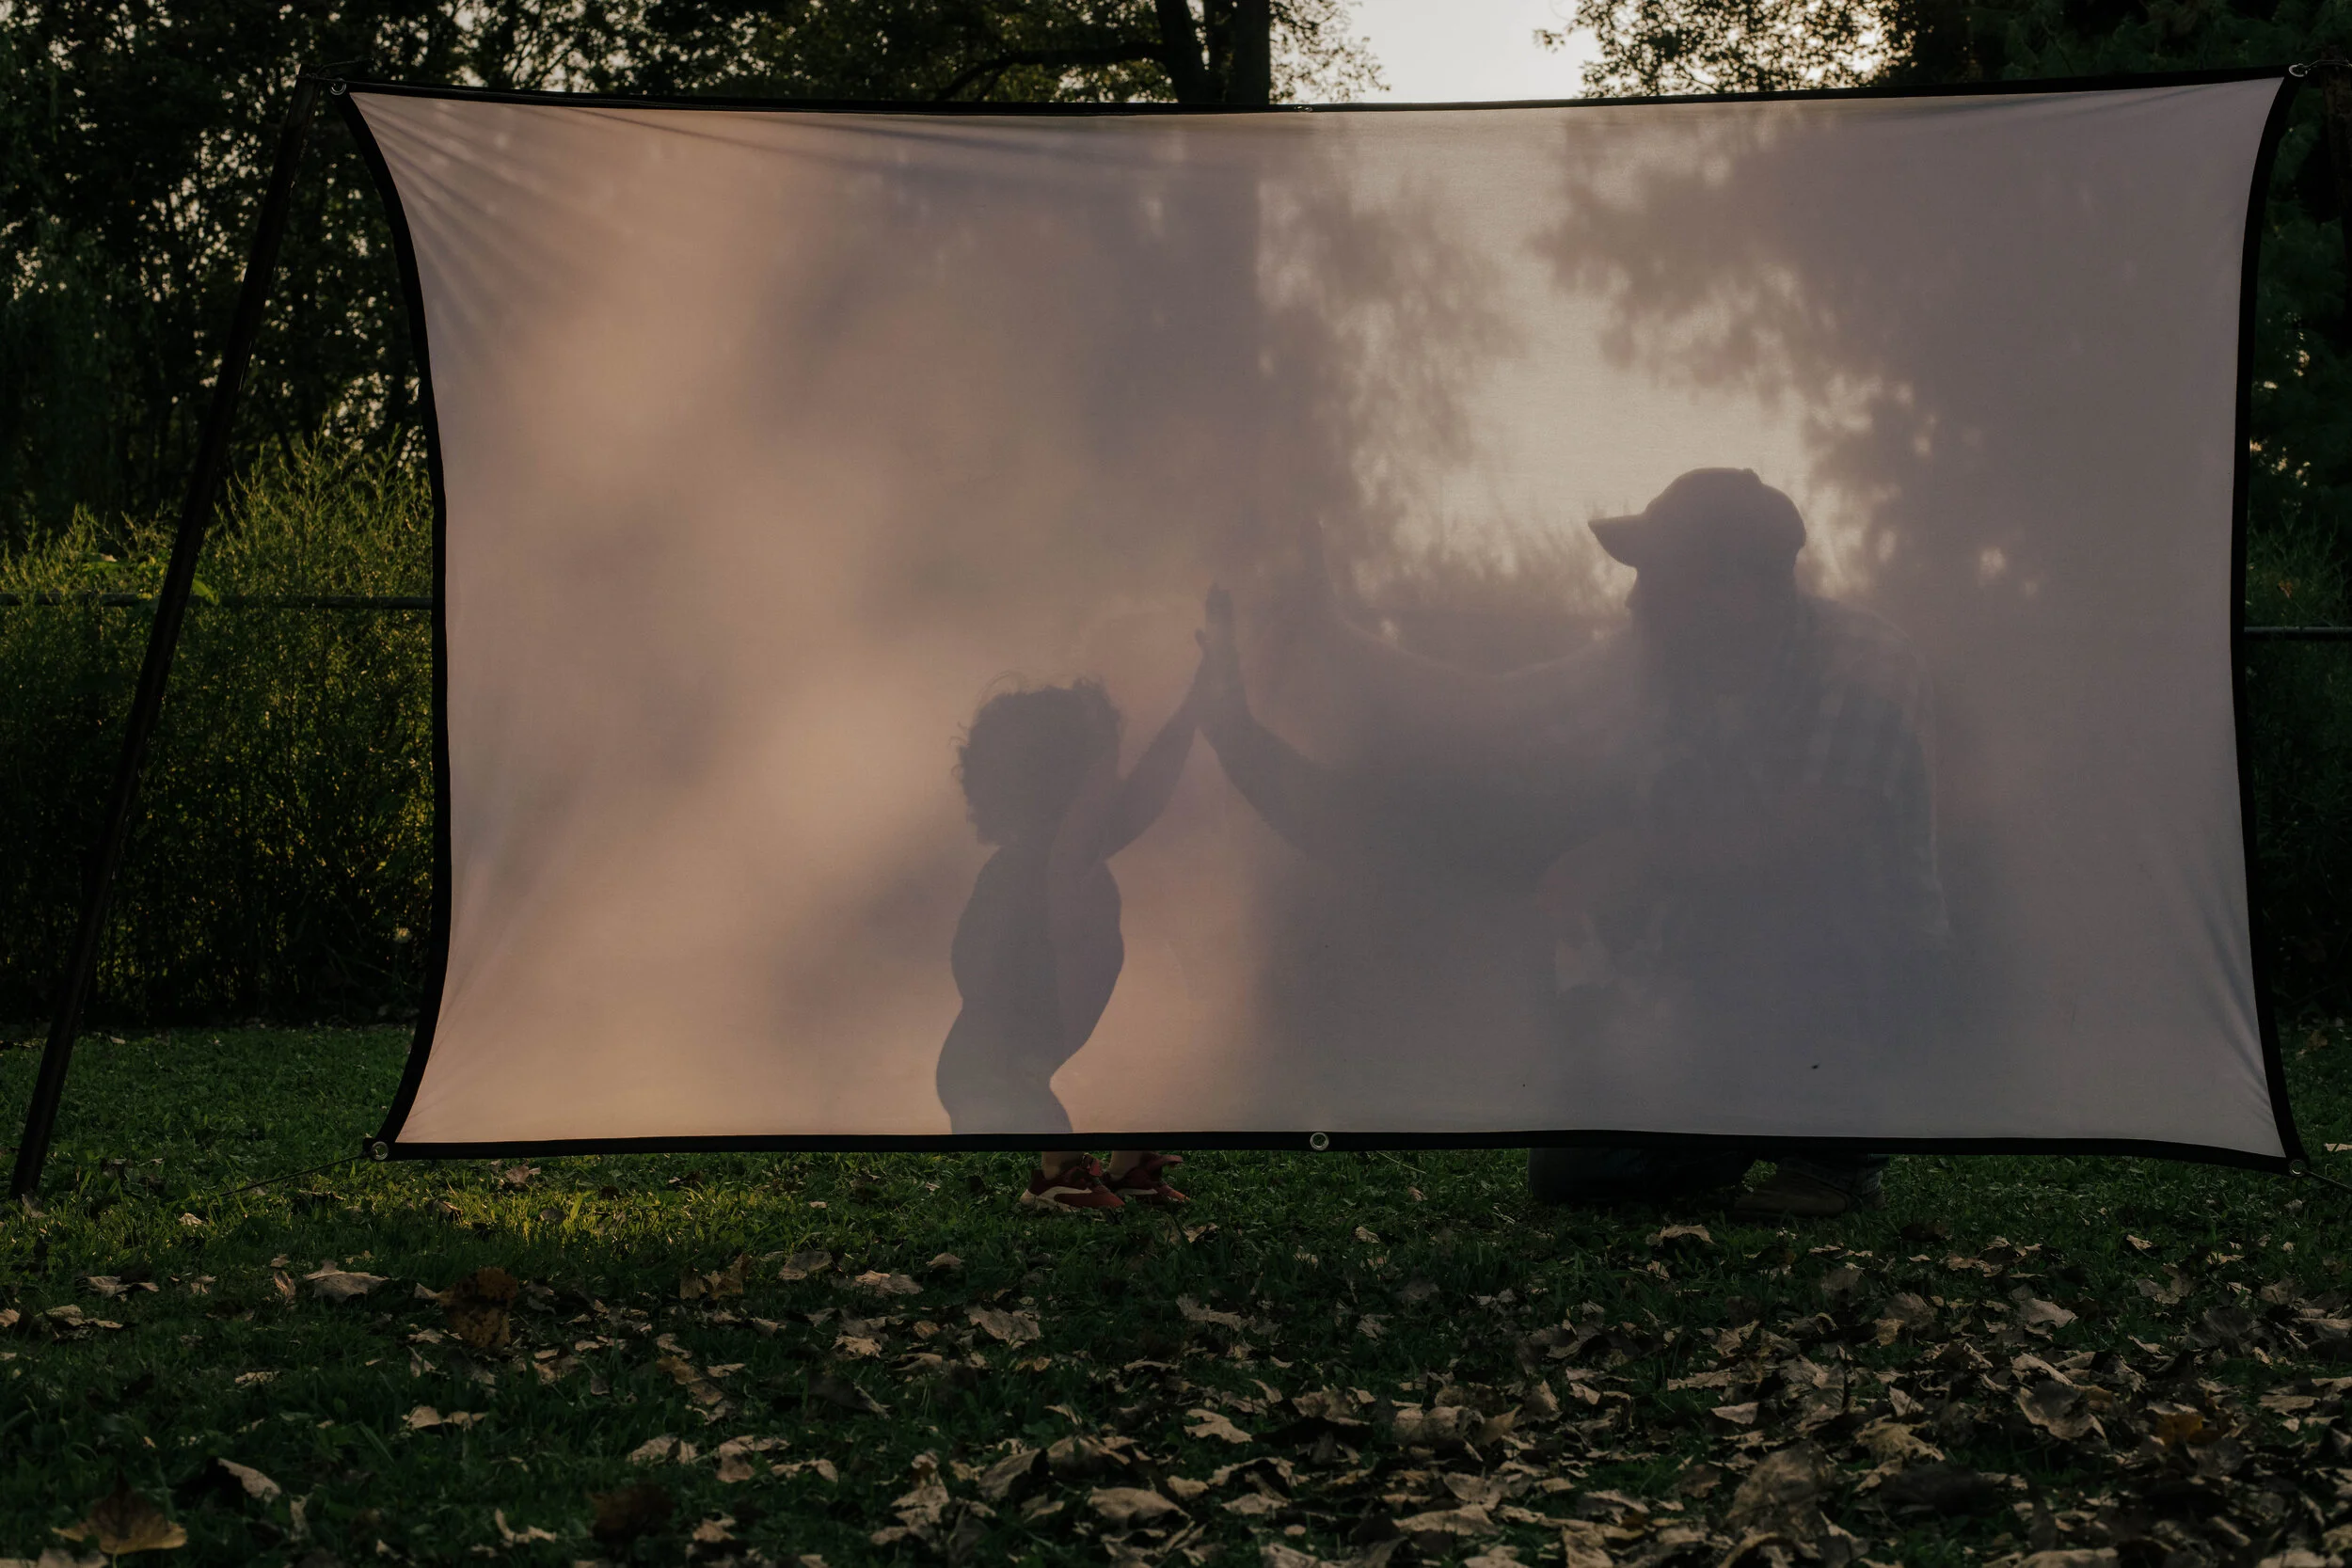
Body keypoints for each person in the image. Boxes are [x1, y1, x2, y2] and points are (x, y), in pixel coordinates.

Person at [1211, 469, 1945, 1217]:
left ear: (1735, 591)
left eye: (1657, 576)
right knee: (1574, 1170)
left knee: (1794, 903)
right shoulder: (1647, 665)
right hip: (1709, 983)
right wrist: (1335, 633)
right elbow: (1491, 713)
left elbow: (1811, 835)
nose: (1633, 598)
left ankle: (1834, 1161)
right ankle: (1721, 1136)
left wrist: (1637, 854)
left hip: (1872, 982)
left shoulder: (1865, 660)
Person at [935, 673, 1200, 1211]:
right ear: (1068, 787)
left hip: (1014, 1049)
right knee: (1045, 1121)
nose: (1117, 777)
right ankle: (1056, 1180)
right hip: (997, 1069)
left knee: (1139, 1059)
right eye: (1105, 766)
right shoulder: (1057, 864)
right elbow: (1143, 794)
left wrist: (1197, 702)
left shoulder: (1059, 857)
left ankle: (1130, 1168)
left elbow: (1140, 799)